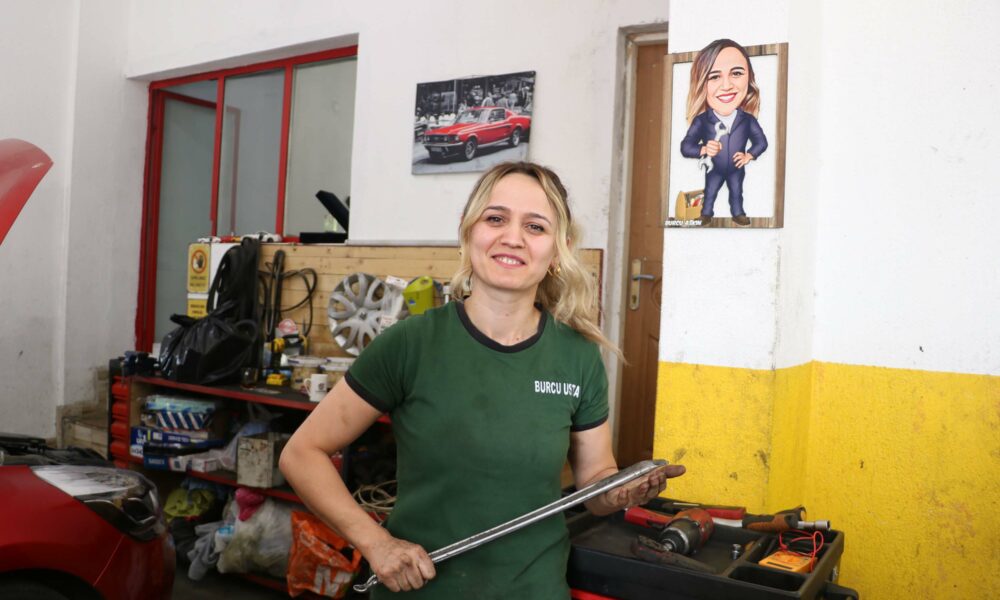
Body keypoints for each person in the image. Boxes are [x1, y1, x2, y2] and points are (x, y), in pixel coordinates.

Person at [279, 161, 685, 598]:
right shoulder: (410, 344)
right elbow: (301, 454)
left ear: (558, 250)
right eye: (495, 219)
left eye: (535, 226)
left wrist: (620, 489)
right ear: (468, 230)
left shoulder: (578, 356)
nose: (513, 237)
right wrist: (376, 543)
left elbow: (595, 483)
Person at [680, 39, 768, 227]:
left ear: (749, 79)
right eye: (714, 77)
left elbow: (761, 142)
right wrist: (704, 149)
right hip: (713, 167)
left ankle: (738, 214)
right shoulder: (702, 120)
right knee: (710, 191)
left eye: (736, 73)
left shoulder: (748, 120)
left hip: (736, 167)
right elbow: (686, 147)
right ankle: (706, 214)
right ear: (702, 84)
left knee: (736, 192)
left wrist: (749, 156)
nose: (726, 85)